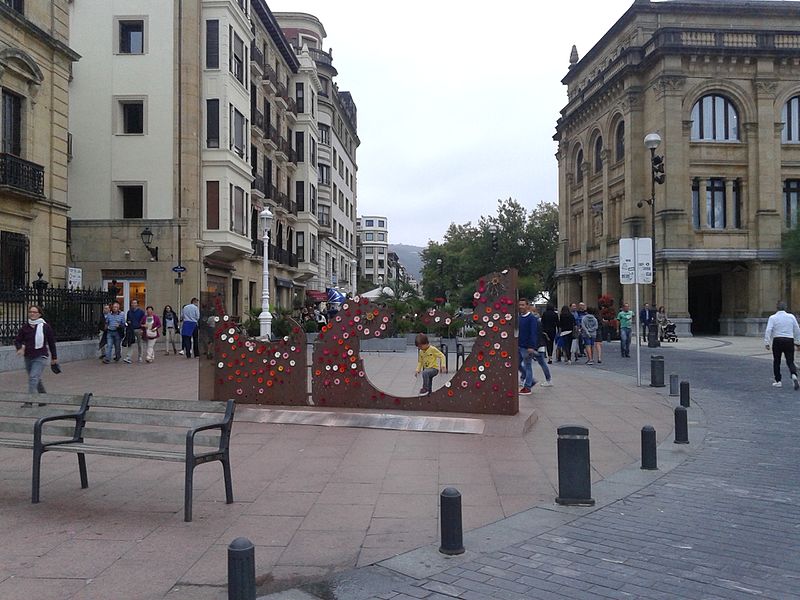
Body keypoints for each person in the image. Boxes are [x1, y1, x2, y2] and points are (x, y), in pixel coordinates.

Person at [14, 305, 58, 393]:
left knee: (33, 377)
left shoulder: (45, 327)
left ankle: (29, 401)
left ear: (39, 314)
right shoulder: (25, 327)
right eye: (30, 312)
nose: (32, 314)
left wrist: (54, 357)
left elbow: (51, 343)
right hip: (28, 356)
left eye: (35, 312)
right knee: (34, 377)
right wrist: (19, 348)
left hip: (40, 356)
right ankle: (43, 396)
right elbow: (17, 340)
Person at [764, 300, 800, 389]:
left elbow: (768, 330)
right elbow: (797, 329)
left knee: (777, 361)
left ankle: (778, 381)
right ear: (786, 308)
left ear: (777, 308)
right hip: (789, 340)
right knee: (790, 361)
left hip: (777, 340)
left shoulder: (773, 317)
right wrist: (797, 341)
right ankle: (794, 375)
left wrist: (767, 342)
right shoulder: (791, 317)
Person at [124, 299, 145, 363]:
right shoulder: (129, 312)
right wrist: (128, 322)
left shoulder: (141, 312)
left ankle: (140, 356)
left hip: (138, 329)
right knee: (130, 343)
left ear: (137, 304)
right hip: (131, 329)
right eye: (132, 303)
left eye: (135, 303)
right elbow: (127, 320)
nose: (133, 304)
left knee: (140, 344)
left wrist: (142, 329)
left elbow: (143, 320)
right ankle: (128, 357)